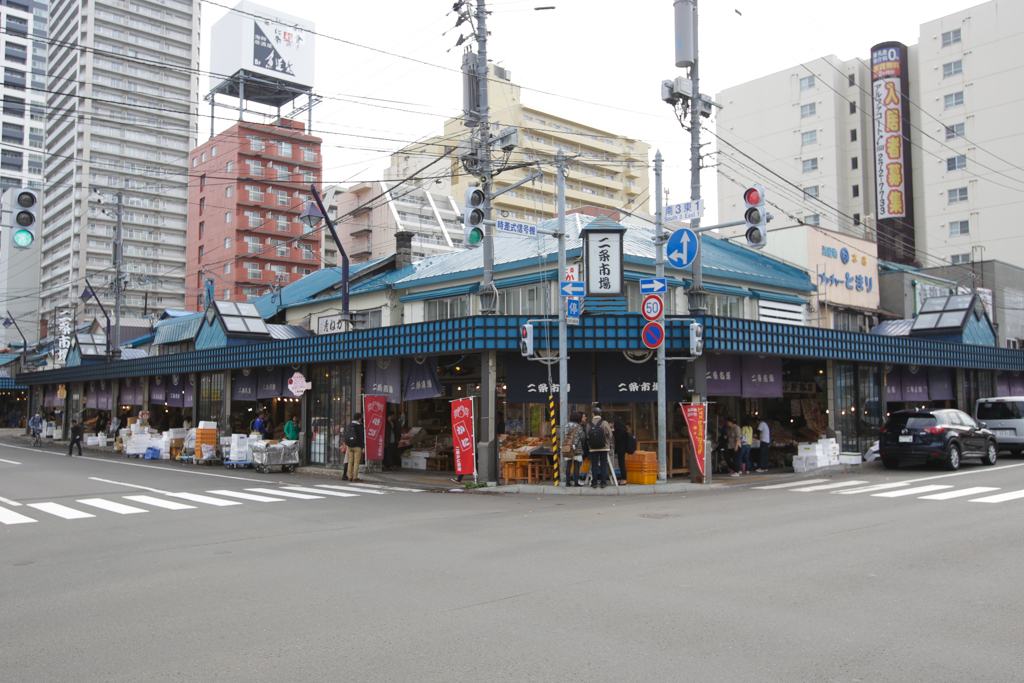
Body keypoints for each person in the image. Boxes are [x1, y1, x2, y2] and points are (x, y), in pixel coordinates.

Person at [586, 408, 614, 489]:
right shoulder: (604, 423)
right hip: (604, 447)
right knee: (603, 464)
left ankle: (594, 482)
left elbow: (587, 435)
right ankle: (603, 482)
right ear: (600, 414)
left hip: (593, 447)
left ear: (593, 414)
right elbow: (610, 435)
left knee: (594, 464)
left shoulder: (589, 424)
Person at [561, 411, 586, 486]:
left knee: (568, 464)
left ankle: (568, 482)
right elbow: (583, 437)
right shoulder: (578, 426)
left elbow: (564, 435)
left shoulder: (566, 426)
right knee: (576, 464)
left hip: (568, 447)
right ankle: (576, 481)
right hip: (576, 448)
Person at [344, 413, 365, 482]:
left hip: (350, 446)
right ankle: (355, 477)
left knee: (350, 462)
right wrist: (363, 447)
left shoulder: (349, 425)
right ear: (359, 418)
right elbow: (361, 437)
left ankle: (349, 477)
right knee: (356, 462)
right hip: (357, 446)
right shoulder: (359, 426)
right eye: (361, 418)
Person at [612, 415, 629, 485]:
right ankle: (623, 479)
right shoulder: (622, 429)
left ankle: (624, 479)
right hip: (621, 449)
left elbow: (617, 438)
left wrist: (613, 432)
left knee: (621, 464)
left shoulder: (621, 430)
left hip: (621, 449)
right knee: (621, 464)